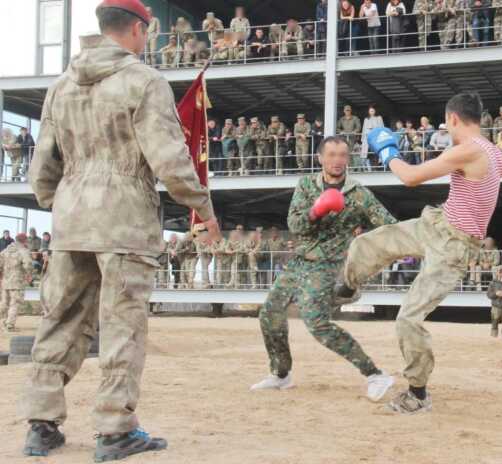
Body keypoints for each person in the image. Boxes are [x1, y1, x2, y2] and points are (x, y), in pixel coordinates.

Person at [21, 1, 221, 459]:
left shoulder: (60, 85)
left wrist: (62, 202)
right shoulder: (143, 81)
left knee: (60, 319)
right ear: (137, 29)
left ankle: (42, 424)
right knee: (122, 326)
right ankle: (114, 430)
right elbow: (170, 160)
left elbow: (41, 170)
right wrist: (202, 209)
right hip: (125, 218)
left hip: (72, 219)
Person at [335, 92, 502, 414]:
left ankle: (418, 395)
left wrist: (387, 151)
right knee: (366, 244)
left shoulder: (468, 151)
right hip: (436, 223)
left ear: (453, 118)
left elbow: (409, 177)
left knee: (408, 320)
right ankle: (348, 288)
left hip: (453, 248)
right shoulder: (494, 153)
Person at [251, 136, 397, 402]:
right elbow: (295, 224)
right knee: (269, 314)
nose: (337, 160)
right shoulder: (307, 185)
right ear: (320, 158)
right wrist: (315, 212)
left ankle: (376, 374)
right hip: (298, 261)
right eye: (331, 155)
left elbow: (387, 224)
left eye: (342, 155)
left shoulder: (359, 194)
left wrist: (400, 242)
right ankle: (281, 374)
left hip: (327, 265)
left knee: (316, 323)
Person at [0, 232, 33, 332]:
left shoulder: (6, 250)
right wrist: (29, 274)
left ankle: (4, 321)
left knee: (4, 302)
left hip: (5, 281)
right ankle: (10, 325)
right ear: (24, 240)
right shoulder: (23, 251)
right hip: (17, 281)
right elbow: (28, 264)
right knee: (15, 303)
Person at [361, 105, 384, 172]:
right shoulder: (366, 119)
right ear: (368, 112)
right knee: (368, 154)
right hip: (368, 139)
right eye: (370, 111)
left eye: (373, 111)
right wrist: (363, 139)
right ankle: (369, 169)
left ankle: (376, 168)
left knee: (376, 153)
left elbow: (381, 127)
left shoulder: (379, 118)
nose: (371, 112)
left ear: (375, 111)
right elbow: (364, 129)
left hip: (376, 138)